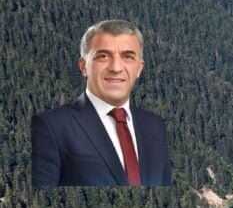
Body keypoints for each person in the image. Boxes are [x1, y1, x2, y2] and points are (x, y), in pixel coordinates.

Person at [32, 19, 171, 187]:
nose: (116, 67)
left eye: (128, 56)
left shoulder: (155, 126)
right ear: (83, 66)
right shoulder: (51, 126)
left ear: (139, 68)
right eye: (103, 56)